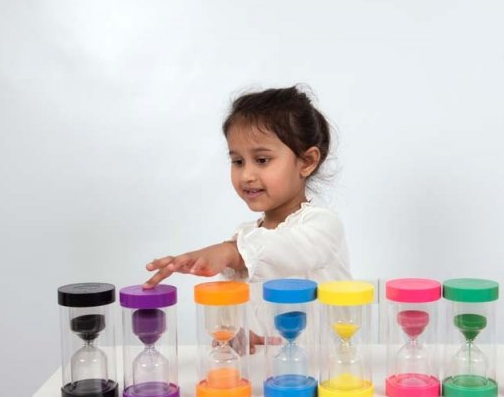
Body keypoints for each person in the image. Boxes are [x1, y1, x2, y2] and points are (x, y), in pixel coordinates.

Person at [143, 85, 351, 351]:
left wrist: (231, 251)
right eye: (238, 161)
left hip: (327, 366)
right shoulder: (246, 238)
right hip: (270, 369)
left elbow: (286, 250)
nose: (246, 175)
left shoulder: (322, 225)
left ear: (307, 162)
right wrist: (236, 332)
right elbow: (238, 300)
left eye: (262, 160)